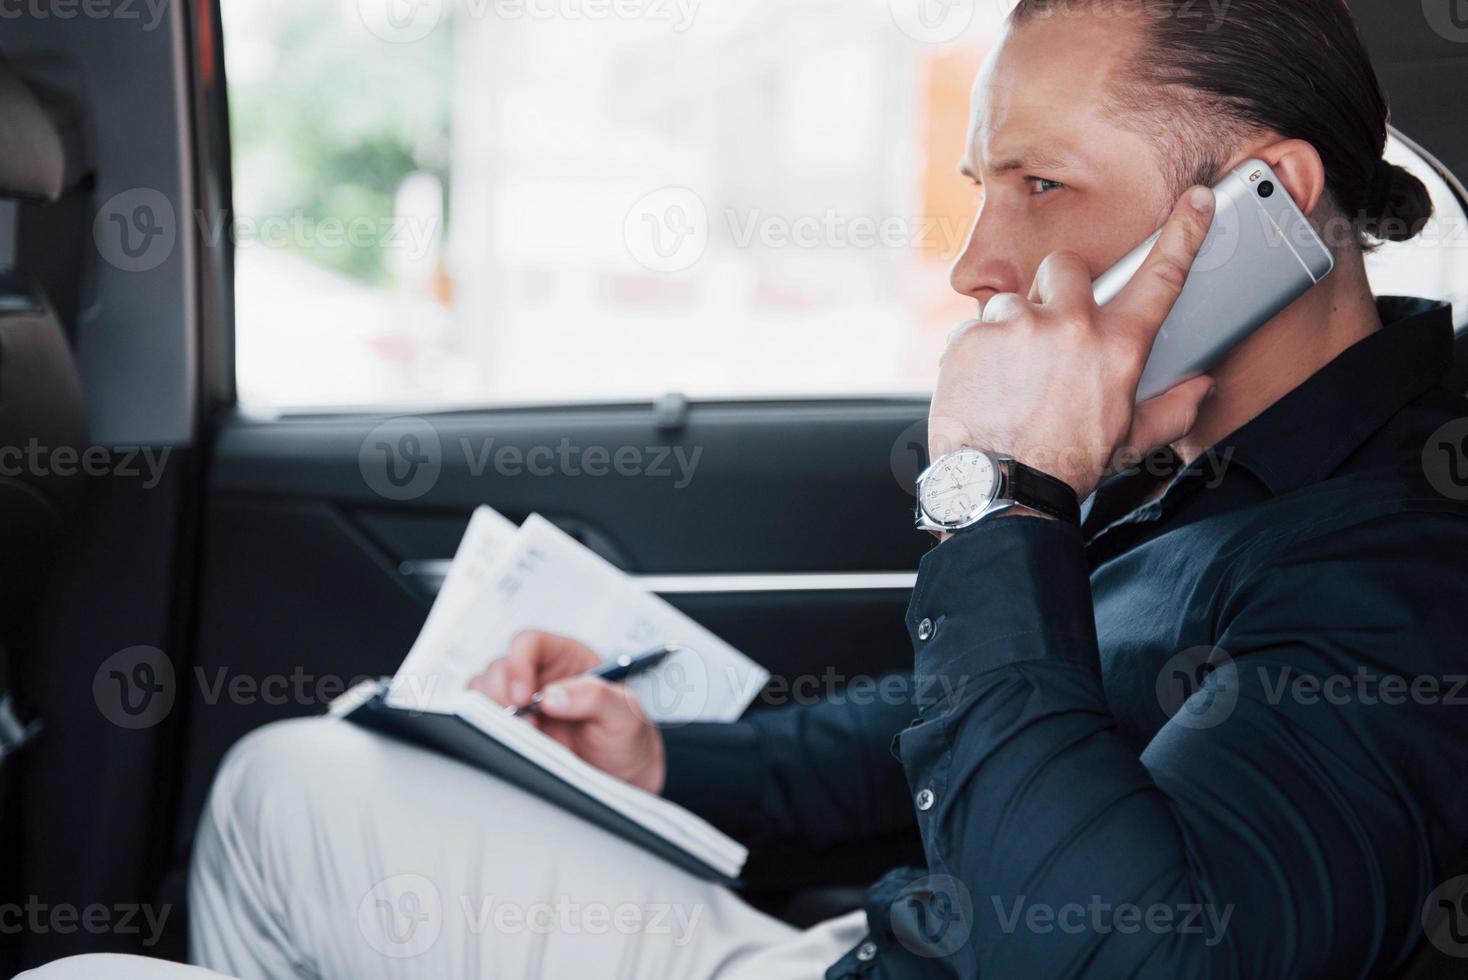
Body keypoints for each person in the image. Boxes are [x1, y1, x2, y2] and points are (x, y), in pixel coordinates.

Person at [23, 0, 1468, 976]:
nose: (972, 261)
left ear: (1264, 199)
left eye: (1040, 186)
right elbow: (979, 720)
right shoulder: (1206, 450)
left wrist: (997, 500)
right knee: (293, 781)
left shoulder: (1403, 570)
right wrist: (660, 758)